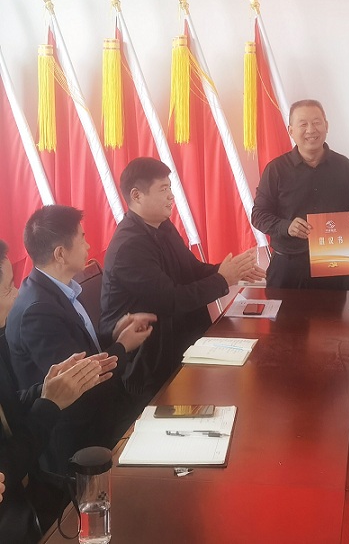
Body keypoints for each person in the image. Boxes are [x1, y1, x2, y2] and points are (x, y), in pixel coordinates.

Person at [101, 157, 265, 406]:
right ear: (136, 195)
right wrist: (223, 279)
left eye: (170, 188)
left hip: (180, 339)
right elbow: (171, 300)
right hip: (150, 361)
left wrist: (229, 271)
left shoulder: (162, 226)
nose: (171, 196)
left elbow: (191, 270)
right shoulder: (129, 246)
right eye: (163, 189)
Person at [4, 209, 155, 478]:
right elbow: (82, 383)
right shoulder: (38, 311)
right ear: (60, 254)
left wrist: (114, 334)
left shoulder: (61, 288)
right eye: (82, 238)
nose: (88, 245)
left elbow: (83, 348)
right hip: (79, 434)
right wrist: (122, 346)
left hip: (102, 409)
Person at [0, 239, 117, 542]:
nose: (16, 296)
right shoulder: (37, 309)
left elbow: (8, 407)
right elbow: (8, 466)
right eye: (8, 289)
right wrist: (50, 403)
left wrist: (48, 388)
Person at [252, 100, 349, 290]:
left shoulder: (343, 166)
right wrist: (286, 227)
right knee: (286, 311)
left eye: (316, 122)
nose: (311, 130)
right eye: (303, 124)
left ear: (326, 126)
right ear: (291, 131)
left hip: (335, 262)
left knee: (338, 311)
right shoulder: (276, 169)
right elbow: (258, 215)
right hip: (289, 266)